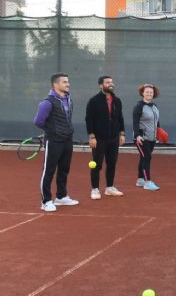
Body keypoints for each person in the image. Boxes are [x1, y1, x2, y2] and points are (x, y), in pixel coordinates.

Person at [33, 73, 80, 212]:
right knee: (49, 171)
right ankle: (46, 201)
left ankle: (61, 196)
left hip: (67, 140)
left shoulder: (69, 99)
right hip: (53, 141)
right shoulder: (47, 103)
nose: (68, 84)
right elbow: (38, 121)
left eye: (68, 81)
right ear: (56, 85)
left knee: (64, 170)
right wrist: (51, 131)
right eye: (65, 82)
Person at [85, 75, 125, 200]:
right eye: (107, 82)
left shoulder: (117, 101)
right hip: (99, 139)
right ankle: (95, 189)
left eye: (112, 82)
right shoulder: (94, 101)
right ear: (101, 85)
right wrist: (92, 136)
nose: (111, 84)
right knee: (96, 165)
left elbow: (120, 118)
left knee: (112, 163)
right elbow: (89, 119)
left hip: (113, 138)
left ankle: (109, 187)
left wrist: (122, 134)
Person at [133, 84, 161, 191]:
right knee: (147, 157)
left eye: (151, 92)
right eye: (147, 92)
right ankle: (147, 182)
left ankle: (140, 180)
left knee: (143, 157)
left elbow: (157, 121)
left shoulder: (155, 106)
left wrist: (158, 133)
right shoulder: (139, 106)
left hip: (152, 138)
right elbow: (135, 122)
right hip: (142, 138)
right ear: (142, 93)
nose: (149, 94)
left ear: (154, 94)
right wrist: (137, 135)